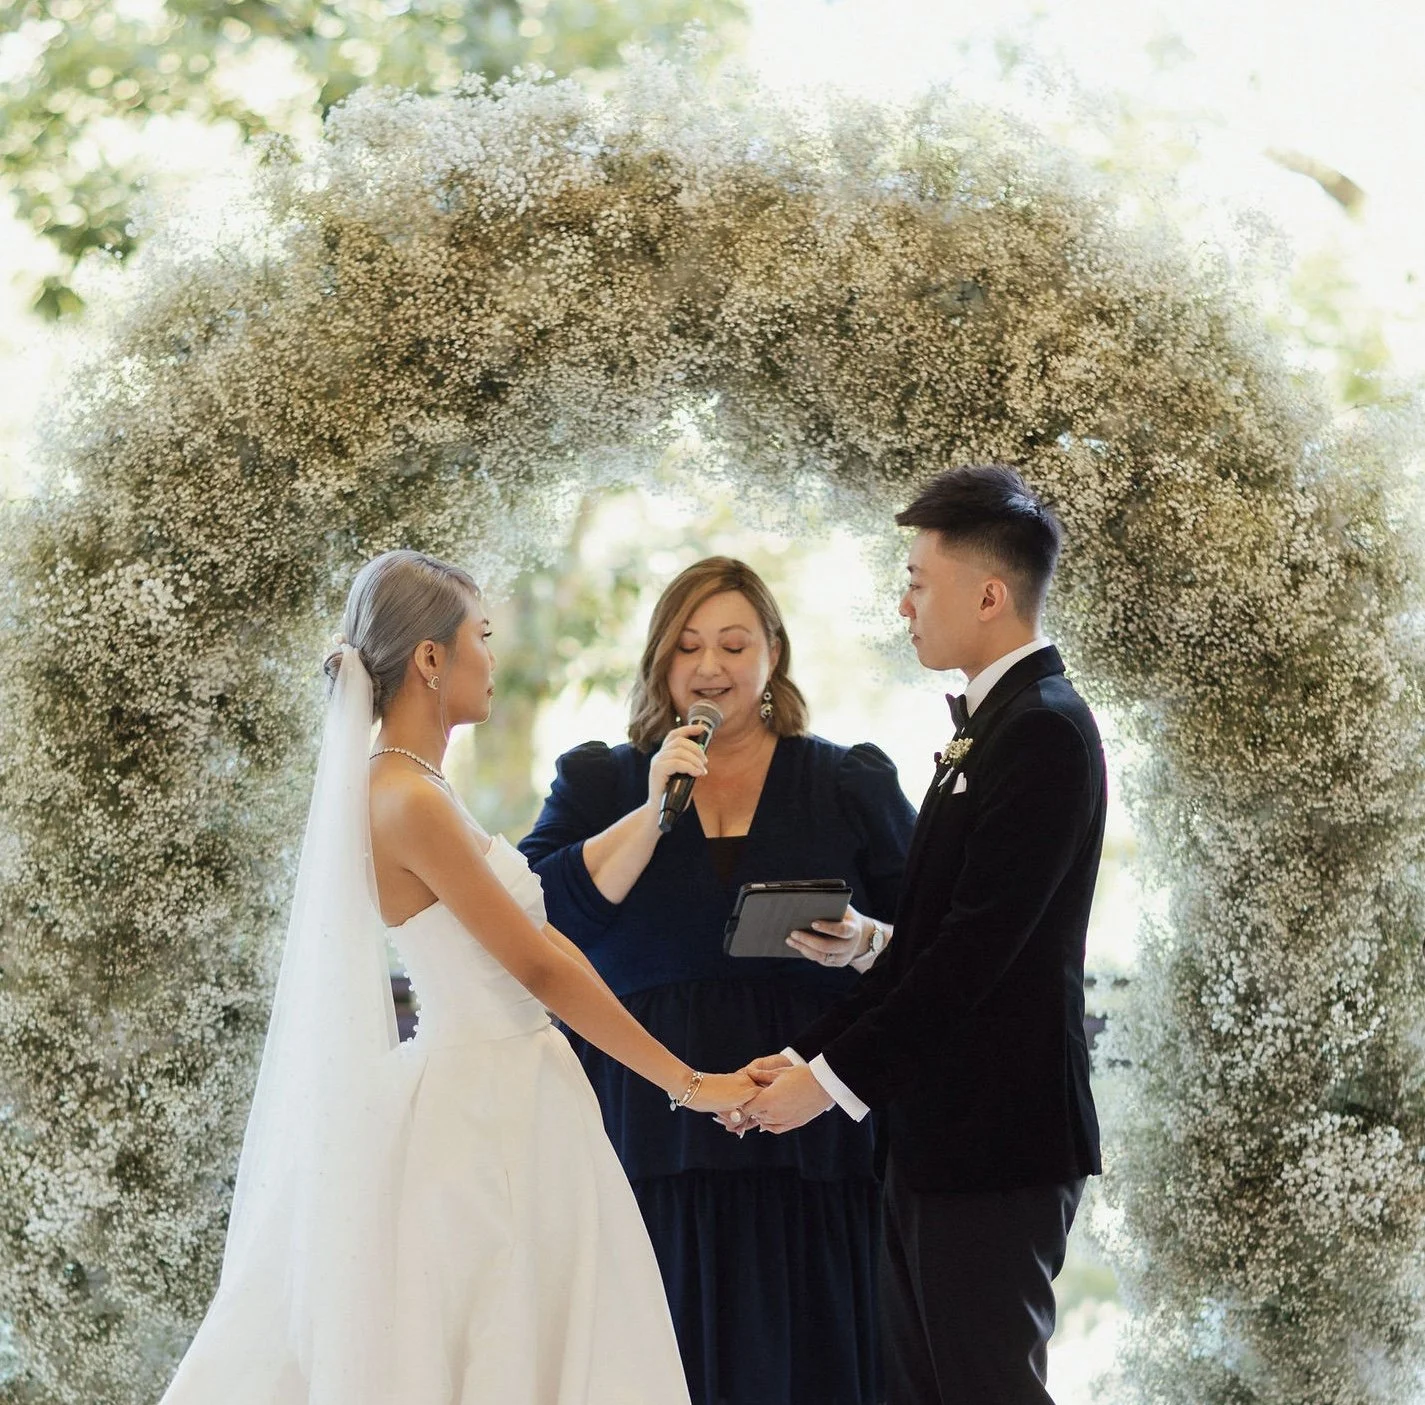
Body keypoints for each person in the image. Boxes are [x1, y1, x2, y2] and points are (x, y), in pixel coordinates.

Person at [159, 549, 755, 1405]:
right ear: (431, 659)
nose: (492, 655)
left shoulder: (419, 785)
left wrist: (653, 807)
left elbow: (539, 922)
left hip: (517, 1092)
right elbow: (540, 964)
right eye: (480, 635)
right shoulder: (408, 798)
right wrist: (689, 1083)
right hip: (487, 1113)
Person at [741, 466, 1105, 1405]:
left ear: (988, 594)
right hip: (937, 1135)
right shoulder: (993, 729)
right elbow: (950, 935)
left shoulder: (1046, 733)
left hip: (997, 1142)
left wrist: (820, 1086)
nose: (901, 602)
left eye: (916, 580)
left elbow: (974, 958)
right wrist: (812, 1032)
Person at [519, 557, 916, 1405]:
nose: (709, 666)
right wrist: (652, 807)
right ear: (660, 663)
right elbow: (529, 918)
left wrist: (862, 941)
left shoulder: (851, 781)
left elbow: (931, 942)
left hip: (807, 1145)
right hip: (645, 1136)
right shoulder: (599, 781)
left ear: (772, 653)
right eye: (687, 646)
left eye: (734, 644)